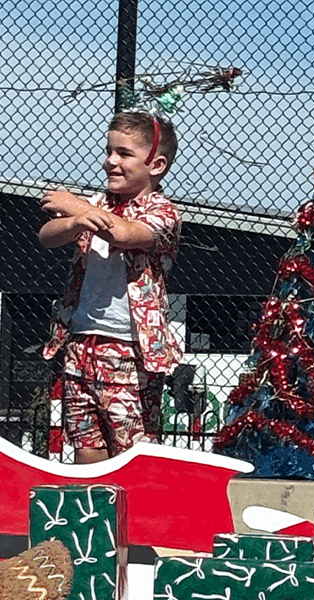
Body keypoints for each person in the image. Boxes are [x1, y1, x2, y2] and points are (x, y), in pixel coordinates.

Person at [38, 112, 182, 464]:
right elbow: (47, 236)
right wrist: (76, 219)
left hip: (129, 352)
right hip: (80, 344)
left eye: (124, 154)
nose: (111, 161)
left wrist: (74, 205)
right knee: (86, 444)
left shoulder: (165, 213)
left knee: (131, 452)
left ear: (156, 165)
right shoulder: (95, 205)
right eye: (108, 151)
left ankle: (133, 501)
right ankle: (92, 498)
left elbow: (125, 233)